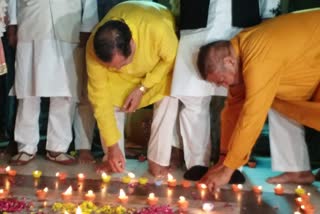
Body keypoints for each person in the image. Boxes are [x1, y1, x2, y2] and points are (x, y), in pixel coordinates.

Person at [150, 0, 304, 181]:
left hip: (241, 25)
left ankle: (233, 165)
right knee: (192, 98)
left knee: (241, 98)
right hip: (196, 25)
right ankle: (197, 163)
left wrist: (269, 14)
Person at [197, 10, 320, 191]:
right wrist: (224, 159)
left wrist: (228, 170)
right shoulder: (240, 51)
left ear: (229, 62)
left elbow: (252, 116)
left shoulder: (258, 57)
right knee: (278, 102)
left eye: (221, 80)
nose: (223, 86)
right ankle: (298, 171)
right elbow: (232, 111)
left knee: (264, 102)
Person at [86, 1, 178, 173]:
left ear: (132, 45)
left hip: (155, 70)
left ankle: (158, 160)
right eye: (112, 66)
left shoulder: (156, 29)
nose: (119, 69)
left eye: (122, 64)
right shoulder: (94, 48)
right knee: (108, 103)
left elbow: (171, 58)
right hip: (118, 82)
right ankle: (112, 158)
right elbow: (100, 100)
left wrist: (143, 87)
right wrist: (112, 146)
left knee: (169, 98)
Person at [8, 0, 98, 165]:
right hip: (31, 22)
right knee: (27, 91)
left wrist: (88, 28)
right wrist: (12, 24)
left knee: (65, 92)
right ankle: (26, 147)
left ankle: (58, 147)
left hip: (69, 26)